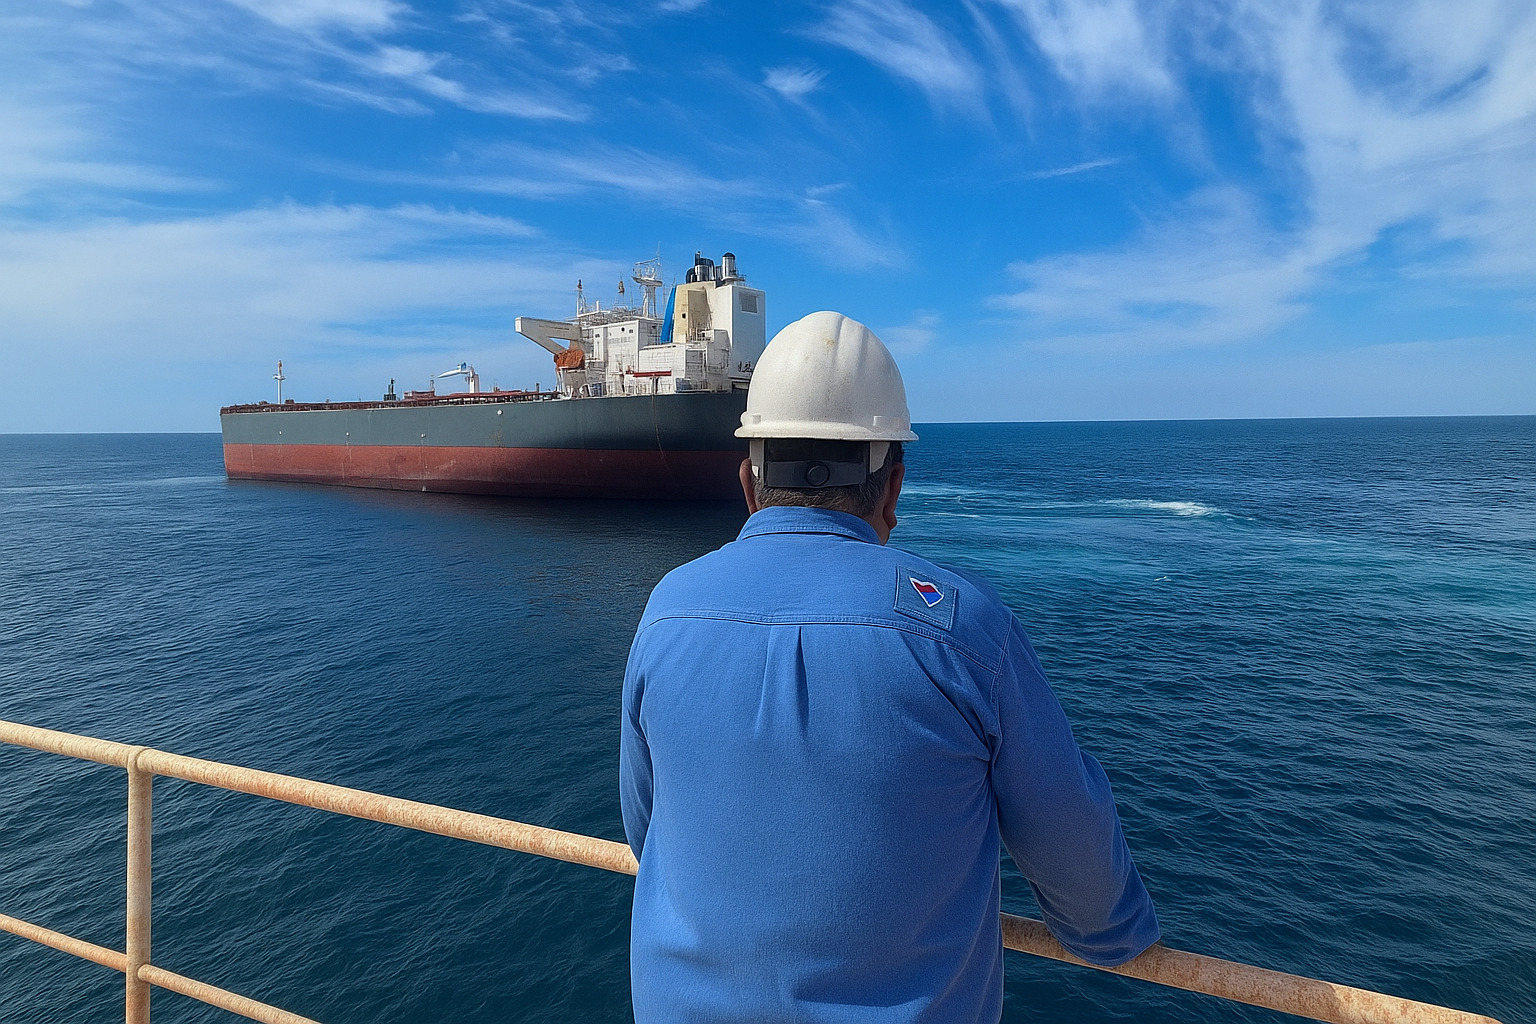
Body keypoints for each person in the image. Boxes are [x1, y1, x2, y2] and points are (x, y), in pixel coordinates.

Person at [619, 311, 1159, 1023]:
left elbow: (646, 824)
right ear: (894, 488)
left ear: (748, 482)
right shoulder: (963, 629)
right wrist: (1111, 936)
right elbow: (1072, 847)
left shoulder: (666, 612)